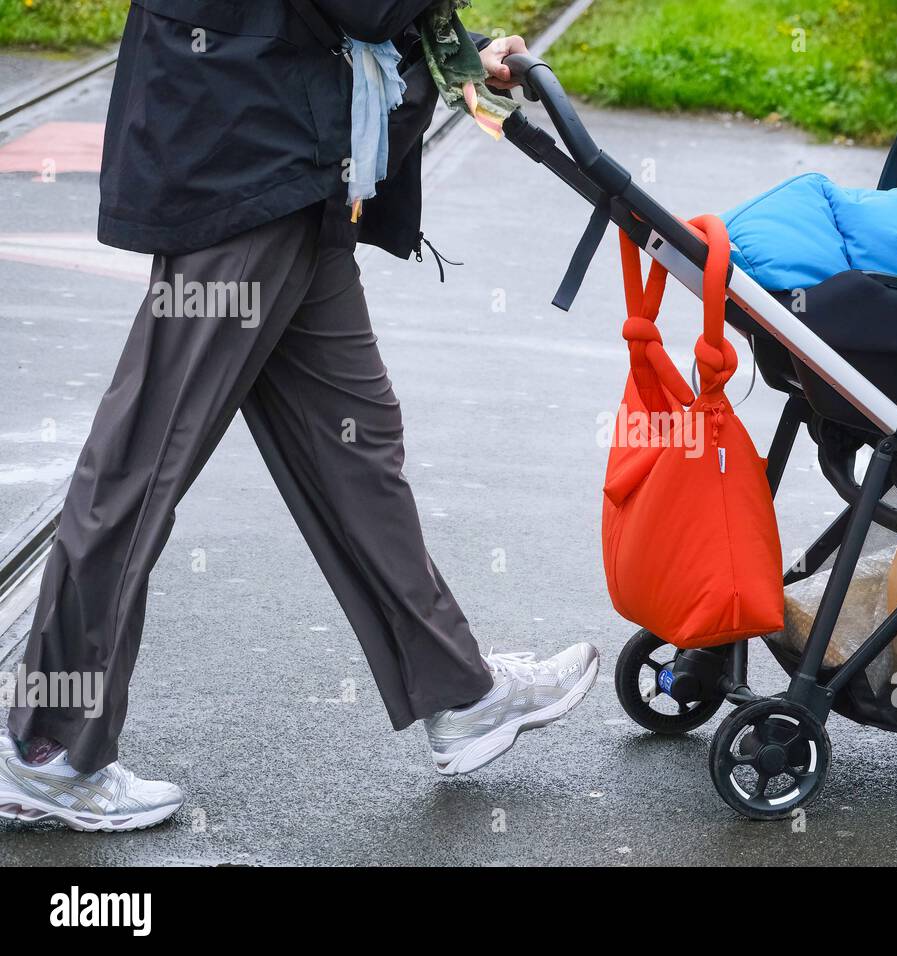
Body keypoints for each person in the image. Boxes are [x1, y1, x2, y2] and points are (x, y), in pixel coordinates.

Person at [0, 0, 598, 833]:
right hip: (243, 161)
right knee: (141, 460)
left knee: (356, 443)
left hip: (291, 147)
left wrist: (453, 52)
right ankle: (49, 747)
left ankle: (459, 693)